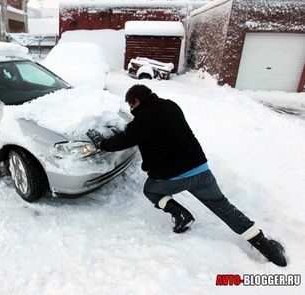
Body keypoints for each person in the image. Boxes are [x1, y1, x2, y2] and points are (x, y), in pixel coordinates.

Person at [86, 84, 287, 267]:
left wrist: (101, 143)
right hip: (200, 169)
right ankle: (265, 246)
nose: (132, 110)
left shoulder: (145, 119)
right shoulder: (171, 106)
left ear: (136, 100)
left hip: (174, 176)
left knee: (151, 190)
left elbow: (124, 140)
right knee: (223, 206)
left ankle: (181, 214)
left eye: (132, 105)